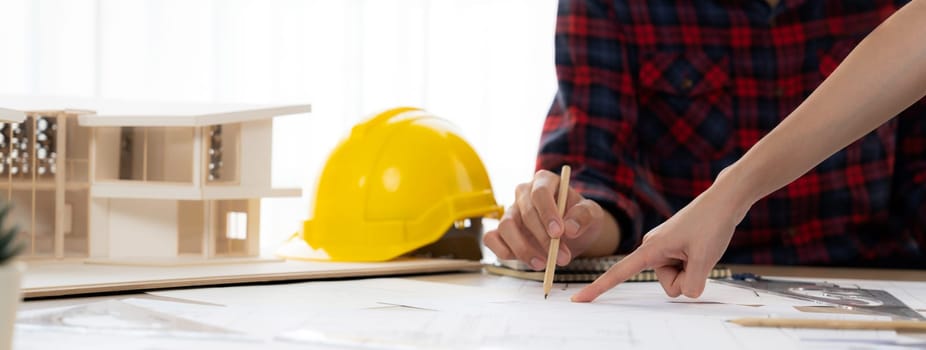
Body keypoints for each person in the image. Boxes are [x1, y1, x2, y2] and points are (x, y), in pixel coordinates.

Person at [483, 0, 926, 301]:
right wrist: (574, 223)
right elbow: (598, 171)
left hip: (877, 275)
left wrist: (732, 192)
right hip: (692, 289)